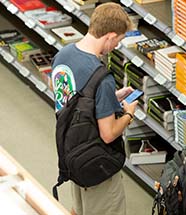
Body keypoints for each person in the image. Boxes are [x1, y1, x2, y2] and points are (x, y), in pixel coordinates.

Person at [51, 3, 137, 215]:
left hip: (72, 154)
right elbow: (108, 134)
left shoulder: (62, 56)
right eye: (118, 40)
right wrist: (128, 114)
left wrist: (108, 99)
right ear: (109, 36)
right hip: (96, 162)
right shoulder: (101, 77)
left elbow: (70, 98)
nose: (116, 46)